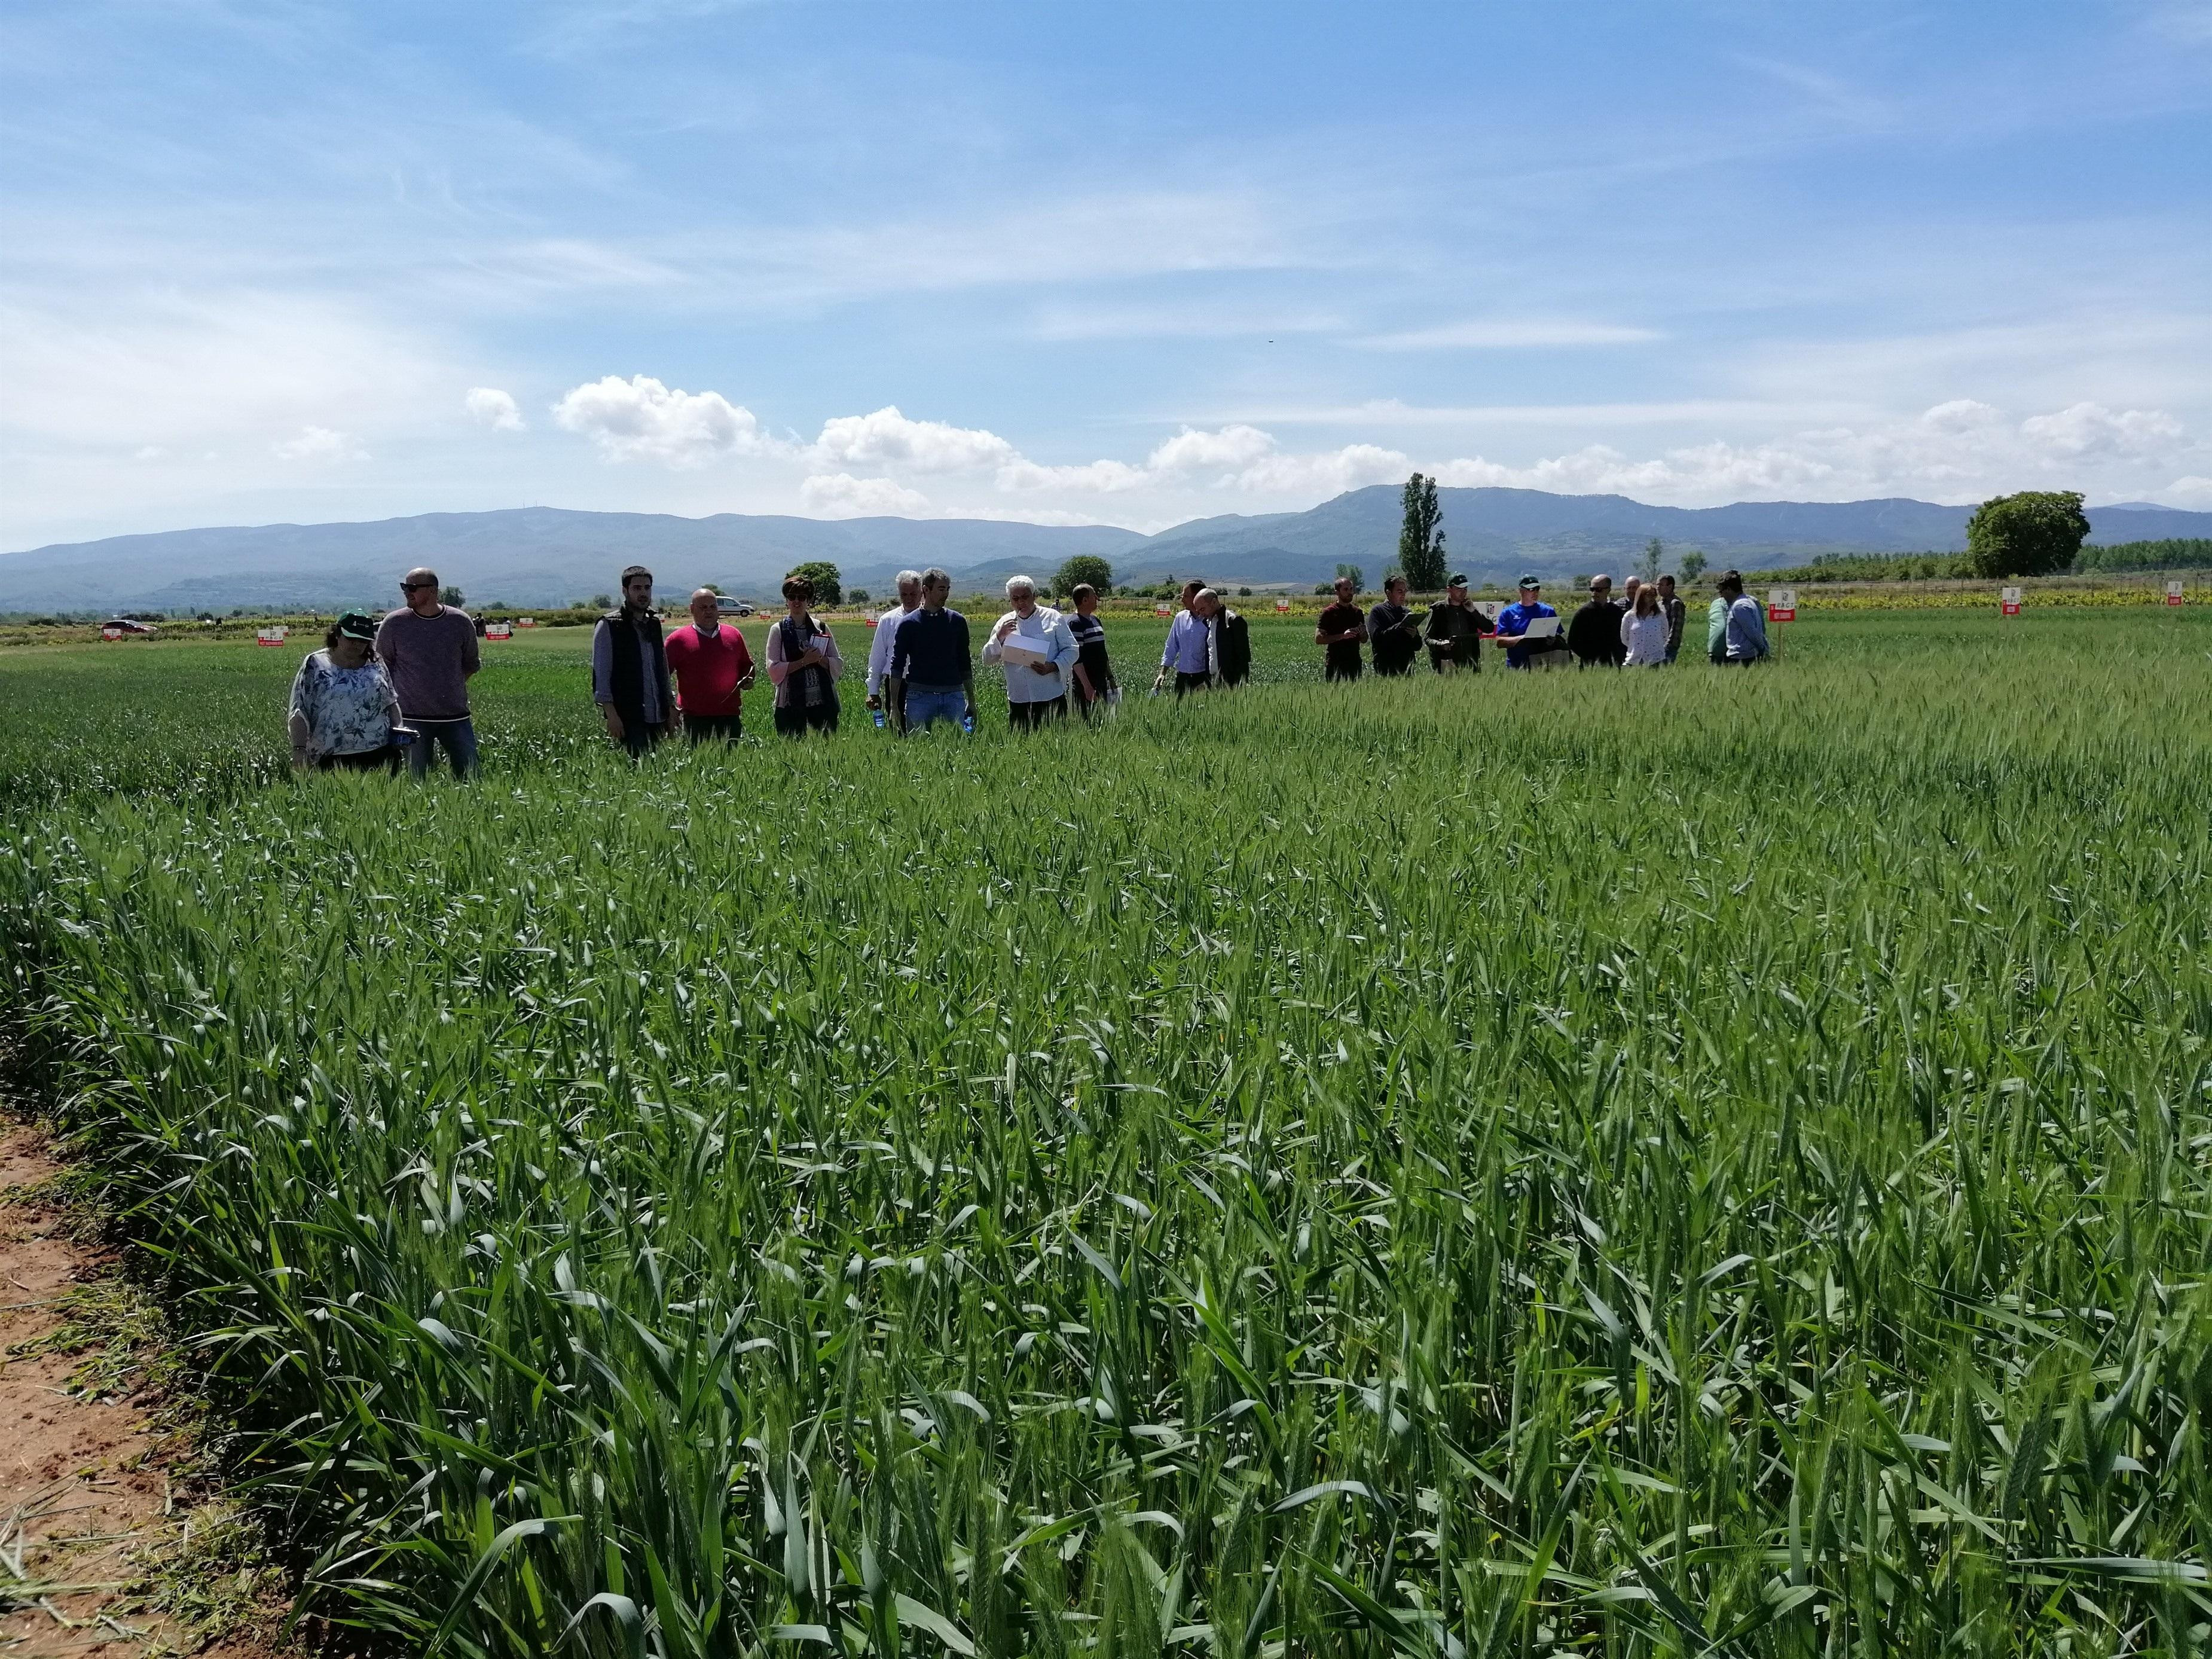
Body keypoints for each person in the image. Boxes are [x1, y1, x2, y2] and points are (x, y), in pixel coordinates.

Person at [375, 566, 479, 778]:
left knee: (472, 777)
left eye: (412, 587)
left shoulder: (460, 622)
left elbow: (471, 664)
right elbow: (382, 667)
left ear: (433, 591)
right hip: (411, 719)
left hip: (456, 718)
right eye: (404, 587)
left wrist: (450, 685)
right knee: (417, 782)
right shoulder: (394, 624)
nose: (407, 592)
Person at [289, 612, 403, 773]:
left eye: (363, 641)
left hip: (380, 752)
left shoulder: (376, 663)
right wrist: (299, 750)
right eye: (351, 639)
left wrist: (399, 729)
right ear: (337, 634)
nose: (357, 644)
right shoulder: (316, 664)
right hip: (331, 755)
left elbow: (391, 701)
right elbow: (299, 710)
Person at [592, 565, 674, 755]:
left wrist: (670, 707)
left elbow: (662, 668)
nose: (643, 593)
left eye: (647, 588)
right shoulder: (609, 625)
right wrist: (612, 715)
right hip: (629, 717)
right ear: (625, 590)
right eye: (637, 588)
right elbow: (601, 675)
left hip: (657, 716)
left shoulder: (653, 624)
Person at [982, 575, 1079, 728]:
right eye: (1015, 599)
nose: (1021, 602)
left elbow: (1072, 650)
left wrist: (1052, 666)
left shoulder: (1053, 617)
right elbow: (987, 659)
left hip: (1050, 695)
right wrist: (999, 637)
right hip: (1019, 699)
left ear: (1034, 596)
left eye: (1025, 597)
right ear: (1010, 600)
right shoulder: (1004, 622)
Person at [887, 568, 976, 734]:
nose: (946, 594)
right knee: (919, 750)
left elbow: (965, 662)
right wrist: (894, 706)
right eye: (941, 589)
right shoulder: (908, 624)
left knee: (957, 749)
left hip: (953, 696)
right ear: (926, 590)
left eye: (948, 589)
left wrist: (971, 700)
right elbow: (897, 666)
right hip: (919, 697)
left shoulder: (957, 621)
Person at [665, 586, 756, 741]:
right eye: (703, 607)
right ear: (692, 609)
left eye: (713, 607)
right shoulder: (677, 640)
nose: (709, 611)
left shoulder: (734, 635)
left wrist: (748, 680)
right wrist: (670, 706)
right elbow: (662, 676)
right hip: (694, 719)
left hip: (730, 716)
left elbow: (747, 666)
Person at [766, 575, 844, 735]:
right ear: (786, 600)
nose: (797, 601)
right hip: (789, 700)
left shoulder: (821, 627)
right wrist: (804, 661)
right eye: (792, 597)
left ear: (808, 601)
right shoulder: (778, 630)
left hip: (822, 698)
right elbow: (773, 668)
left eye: (802, 597)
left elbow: (837, 662)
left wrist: (820, 660)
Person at [865, 569, 924, 726]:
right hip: (896, 684)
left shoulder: (930, 619)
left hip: (925, 682)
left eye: (913, 594)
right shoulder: (888, 620)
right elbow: (877, 658)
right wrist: (873, 691)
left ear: (922, 592)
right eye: (904, 595)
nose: (909, 599)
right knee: (898, 730)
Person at [1065, 582, 1117, 717]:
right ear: (1085, 600)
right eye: (1094, 596)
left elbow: (1102, 652)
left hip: (1101, 681)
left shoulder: (1095, 620)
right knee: (1088, 721)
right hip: (1086, 685)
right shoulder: (1075, 623)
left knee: (1102, 720)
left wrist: (1110, 677)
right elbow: (1077, 658)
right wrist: (1087, 686)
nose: (1098, 599)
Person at [1423, 573, 1493, 672]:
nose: (1463, 592)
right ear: (1449, 590)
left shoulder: (1469, 609)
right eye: (1459, 589)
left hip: (1470, 665)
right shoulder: (1438, 610)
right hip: (1446, 664)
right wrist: (1440, 644)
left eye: (1465, 589)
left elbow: (1489, 628)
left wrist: (1474, 612)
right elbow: (1428, 638)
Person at [1494, 575, 1564, 670]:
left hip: (1543, 666)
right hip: (1517, 666)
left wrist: (1552, 640)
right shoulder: (1508, 613)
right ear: (1521, 591)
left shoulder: (1548, 611)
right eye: (1531, 589)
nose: (1535, 593)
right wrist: (1523, 639)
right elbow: (1500, 642)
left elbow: (1559, 637)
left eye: (1537, 589)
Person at [1155, 586, 1215, 695]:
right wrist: (1162, 673)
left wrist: (1209, 681)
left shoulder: (1211, 621)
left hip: (1203, 678)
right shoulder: (1180, 618)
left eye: (1185, 596)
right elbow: (1171, 647)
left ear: (1196, 597)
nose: (1182, 600)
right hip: (1182, 678)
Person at [1367, 576, 1423, 676]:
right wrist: (1399, 627)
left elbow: (1418, 646)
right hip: (1386, 668)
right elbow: (1377, 638)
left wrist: (1414, 635)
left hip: (1407, 668)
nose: (1403, 595)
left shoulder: (1407, 613)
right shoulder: (1377, 611)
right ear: (1389, 593)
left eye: (1405, 591)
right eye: (1400, 591)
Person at [1568, 575, 1627, 668]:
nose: (1594, 593)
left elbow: (1623, 637)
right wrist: (1587, 657)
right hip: (1590, 665)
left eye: (1599, 590)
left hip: (1614, 663)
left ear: (1608, 590)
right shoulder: (1583, 613)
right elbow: (1572, 641)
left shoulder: (1616, 612)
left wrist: (1620, 656)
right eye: (1592, 589)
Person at [1316, 576, 1365, 681]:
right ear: (1337, 592)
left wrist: (1363, 633)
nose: (1350, 592)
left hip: (1354, 663)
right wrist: (1343, 636)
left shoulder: (1358, 612)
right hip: (1335, 663)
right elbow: (1319, 639)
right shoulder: (1329, 612)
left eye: (1351, 589)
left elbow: (1364, 640)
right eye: (1346, 589)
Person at [1717, 570, 1771, 665]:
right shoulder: (1749, 601)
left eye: (1722, 592)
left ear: (1729, 589)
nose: (1721, 595)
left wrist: (1762, 649)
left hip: (1742, 657)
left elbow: (1752, 632)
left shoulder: (1740, 607)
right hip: (1746, 655)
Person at [1209, 589, 1252, 686]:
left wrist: (1241, 682)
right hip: (1215, 680)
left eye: (1203, 609)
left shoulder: (1234, 620)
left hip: (1232, 681)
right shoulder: (1209, 621)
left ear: (1214, 602)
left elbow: (1244, 657)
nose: (1200, 613)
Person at [1621, 583, 1669, 667]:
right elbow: (1625, 639)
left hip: (1656, 660)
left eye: (1654, 595)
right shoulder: (1629, 616)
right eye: (1649, 595)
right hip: (1634, 660)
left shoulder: (1660, 616)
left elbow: (1664, 636)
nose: (1652, 598)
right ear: (1641, 596)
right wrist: (1637, 648)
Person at [1657, 573, 1687, 665]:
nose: (1658, 587)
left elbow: (1676, 628)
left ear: (1670, 587)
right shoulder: (1659, 603)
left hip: (1668, 646)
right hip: (1658, 645)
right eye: (1657, 585)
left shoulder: (1675, 603)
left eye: (1661, 585)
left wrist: (1668, 646)